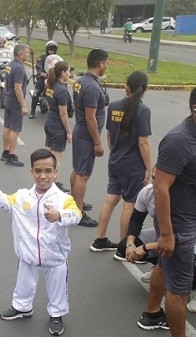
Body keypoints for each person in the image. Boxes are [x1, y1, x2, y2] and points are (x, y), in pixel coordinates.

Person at [0, 148, 81, 336]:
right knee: (23, 285)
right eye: (38, 171)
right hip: (28, 254)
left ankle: (56, 315)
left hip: (55, 257)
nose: (43, 176)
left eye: (48, 171)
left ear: (56, 173)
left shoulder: (64, 199)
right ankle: (22, 308)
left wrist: (60, 215)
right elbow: (6, 202)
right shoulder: (22, 196)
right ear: (31, 172)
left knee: (57, 288)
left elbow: (76, 216)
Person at [90, 71, 151, 251]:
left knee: (110, 199)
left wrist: (115, 152)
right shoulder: (143, 110)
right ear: (145, 89)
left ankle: (99, 239)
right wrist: (148, 168)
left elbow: (109, 134)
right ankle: (124, 248)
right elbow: (143, 142)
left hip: (115, 160)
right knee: (129, 204)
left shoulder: (114, 106)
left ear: (127, 87)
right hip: (133, 166)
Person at [154, 88, 196, 337]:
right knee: (180, 290)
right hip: (178, 225)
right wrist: (167, 234)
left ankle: (150, 312)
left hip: (190, 218)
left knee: (163, 266)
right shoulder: (179, 140)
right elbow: (160, 187)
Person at [69, 49, 109, 228]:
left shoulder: (81, 81)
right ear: (100, 63)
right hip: (87, 135)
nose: (106, 66)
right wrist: (98, 142)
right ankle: (78, 213)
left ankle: (76, 202)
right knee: (83, 175)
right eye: (105, 63)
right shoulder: (92, 87)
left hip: (80, 131)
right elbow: (90, 117)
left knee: (77, 170)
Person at [43, 61, 72, 193]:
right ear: (62, 73)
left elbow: (49, 104)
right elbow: (63, 113)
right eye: (68, 71)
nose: (70, 74)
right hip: (57, 126)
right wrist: (68, 131)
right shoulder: (61, 90)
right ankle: (55, 183)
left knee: (48, 153)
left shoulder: (51, 85)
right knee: (56, 156)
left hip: (49, 121)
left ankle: (45, 178)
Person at [0, 44, 29, 167]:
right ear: (21, 54)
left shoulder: (10, 65)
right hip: (15, 102)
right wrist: (23, 105)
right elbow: (18, 88)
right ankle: (12, 156)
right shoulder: (19, 68)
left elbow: (7, 83)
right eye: (26, 53)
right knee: (15, 129)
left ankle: (5, 152)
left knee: (7, 126)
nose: (27, 55)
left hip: (8, 99)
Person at [29, 40, 58, 119]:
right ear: (46, 48)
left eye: (53, 48)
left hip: (55, 78)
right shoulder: (42, 58)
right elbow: (39, 66)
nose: (51, 49)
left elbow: (63, 66)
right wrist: (40, 72)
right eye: (50, 48)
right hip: (44, 77)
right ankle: (32, 112)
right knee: (36, 93)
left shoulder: (58, 59)